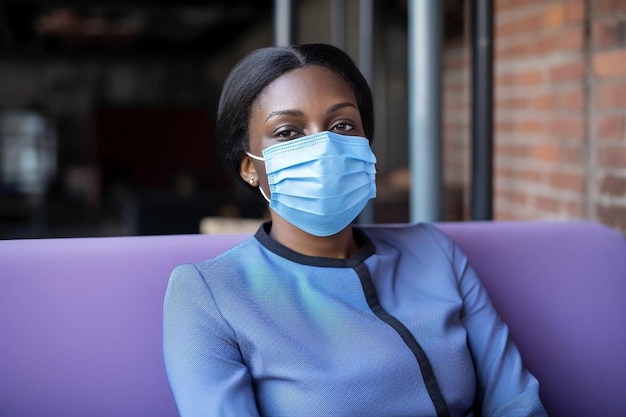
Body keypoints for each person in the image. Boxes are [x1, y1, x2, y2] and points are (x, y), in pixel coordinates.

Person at [163, 43, 547, 417]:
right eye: (288, 132)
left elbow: (516, 401)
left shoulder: (434, 252)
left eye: (342, 124)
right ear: (249, 166)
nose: (325, 145)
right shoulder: (208, 294)